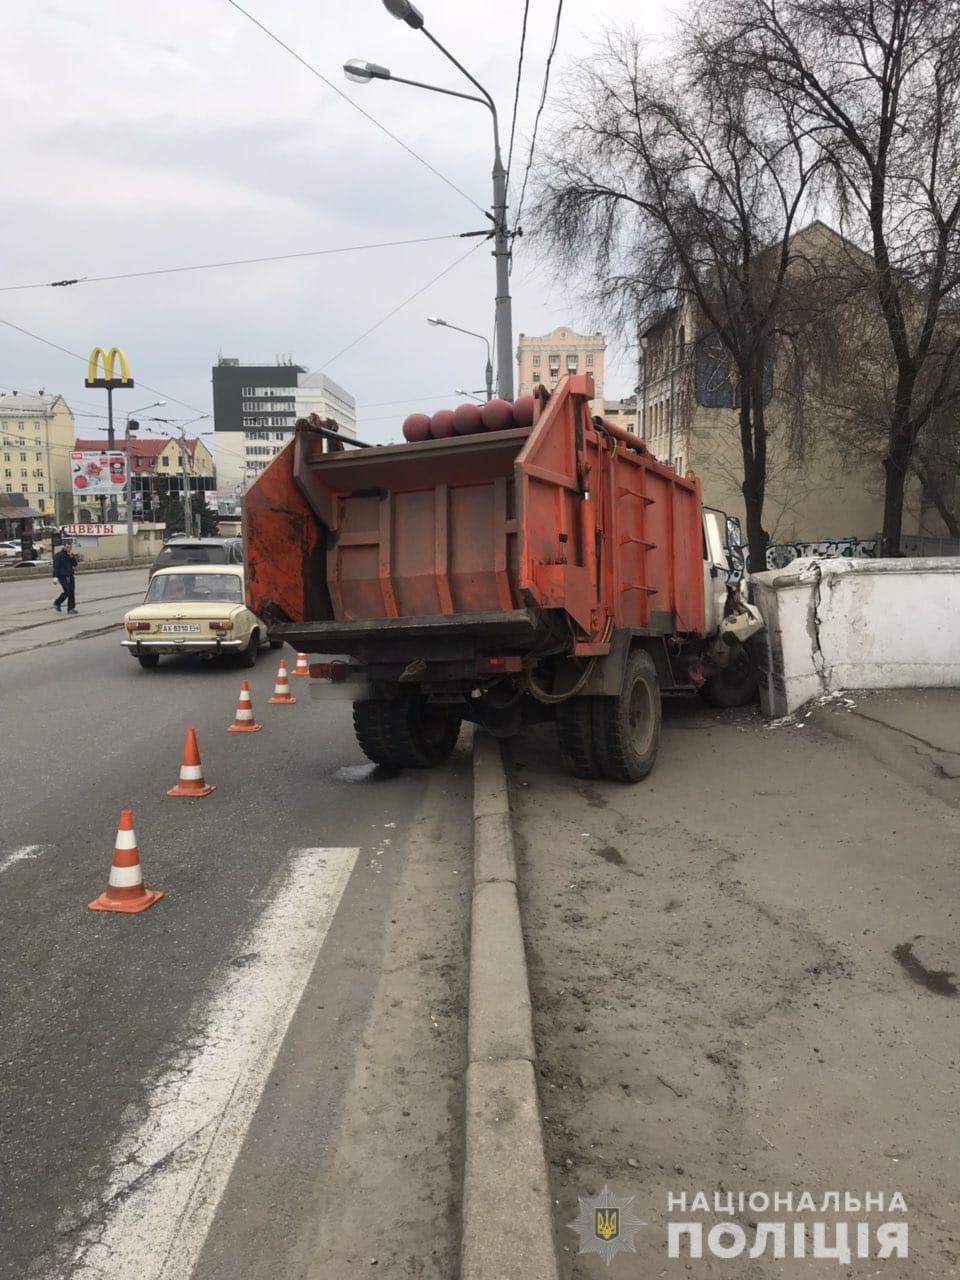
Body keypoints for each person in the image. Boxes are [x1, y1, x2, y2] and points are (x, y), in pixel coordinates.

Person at [52, 538, 79, 614]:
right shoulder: (58, 555)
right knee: (67, 591)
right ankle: (57, 603)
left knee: (72, 592)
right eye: (67, 547)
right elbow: (56, 567)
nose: (69, 548)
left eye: (70, 547)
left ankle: (71, 608)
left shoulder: (71, 555)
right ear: (64, 547)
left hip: (70, 575)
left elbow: (75, 564)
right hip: (62, 576)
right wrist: (55, 577)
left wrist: (72, 557)